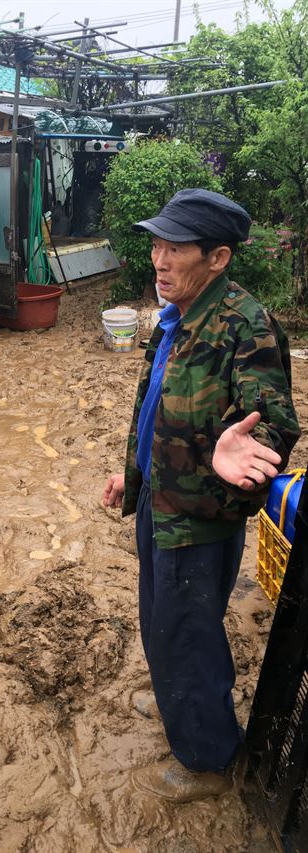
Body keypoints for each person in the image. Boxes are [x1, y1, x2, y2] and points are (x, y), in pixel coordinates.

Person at [102, 188, 300, 803]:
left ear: (217, 258)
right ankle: (171, 695)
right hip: (158, 503)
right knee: (161, 619)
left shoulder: (245, 323)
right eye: (157, 244)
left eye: (176, 249)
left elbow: (275, 419)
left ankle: (208, 759)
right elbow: (157, 405)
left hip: (198, 517)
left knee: (189, 634)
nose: (159, 260)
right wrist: (131, 476)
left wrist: (242, 448)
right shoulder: (175, 315)